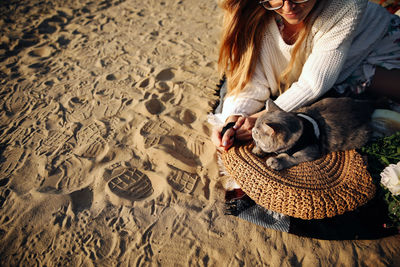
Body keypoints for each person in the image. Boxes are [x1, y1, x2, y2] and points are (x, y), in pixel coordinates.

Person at [210, 0, 400, 151]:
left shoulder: (346, 5)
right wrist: (232, 120)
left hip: (379, 45)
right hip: (339, 70)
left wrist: (262, 117)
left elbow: (313, 83)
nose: (288, 7)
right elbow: (251, 79)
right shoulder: (256, 11)